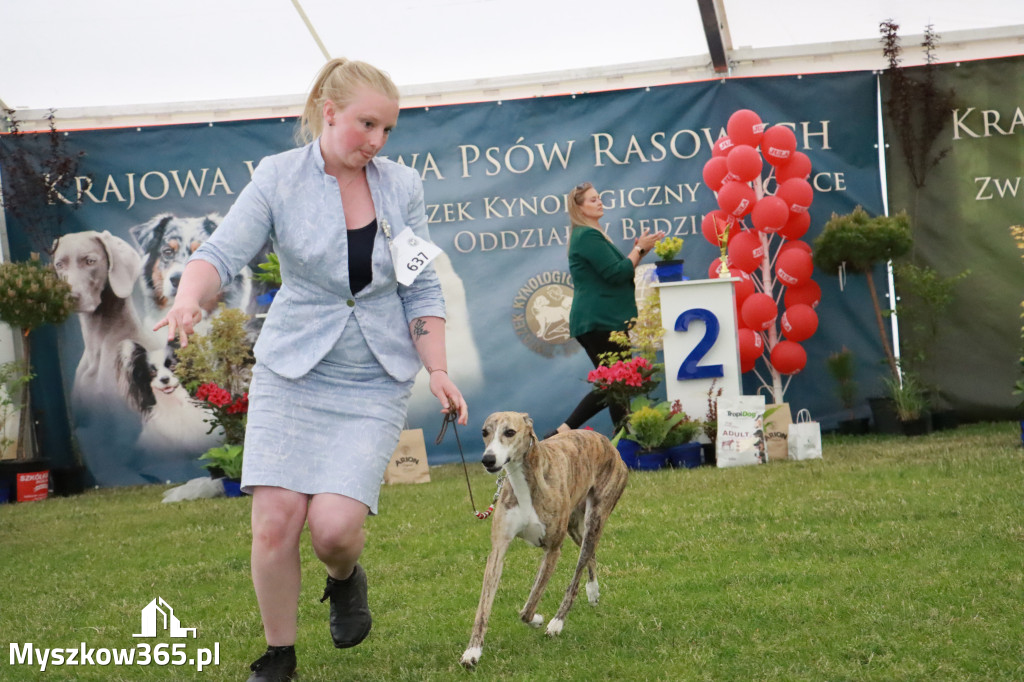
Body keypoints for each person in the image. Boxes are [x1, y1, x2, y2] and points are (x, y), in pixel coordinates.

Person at [155, 58, 469, 682]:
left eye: (387, 129)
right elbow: (220, 253)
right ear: (329, 113)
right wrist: (190, 296)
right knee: (274, 520)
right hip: (292, 371)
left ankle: (345, 578)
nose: (376, 141)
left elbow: (420, 285)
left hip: (372, 377)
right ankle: (279, 656)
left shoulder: (402, 187)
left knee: (333, 531)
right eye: (366, 125)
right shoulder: (278, 177)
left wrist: (435, 369)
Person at [547, 181, 663, 437]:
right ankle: (561, 433)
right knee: (614, 383)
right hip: (600, 321)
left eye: (599, 197)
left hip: (600, 321)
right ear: (579, 208)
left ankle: (625, 441)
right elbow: (617, 273)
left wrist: (640, 253)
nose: (599, 202)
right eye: (592, 200)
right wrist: (639, 248)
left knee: (615, 385)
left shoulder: (589, 235)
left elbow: (619, 270)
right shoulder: (586, 235)